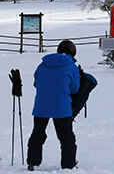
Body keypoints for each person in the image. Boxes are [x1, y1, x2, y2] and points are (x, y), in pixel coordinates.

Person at [27, 39, 80, 171]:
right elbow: (75, 89)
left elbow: (36, 83)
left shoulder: (42, 65)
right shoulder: (71, 67)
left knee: (37, 134)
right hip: (62, 107)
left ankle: (33, 163)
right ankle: (68, 164)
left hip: (41, 106)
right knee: (66, 137)